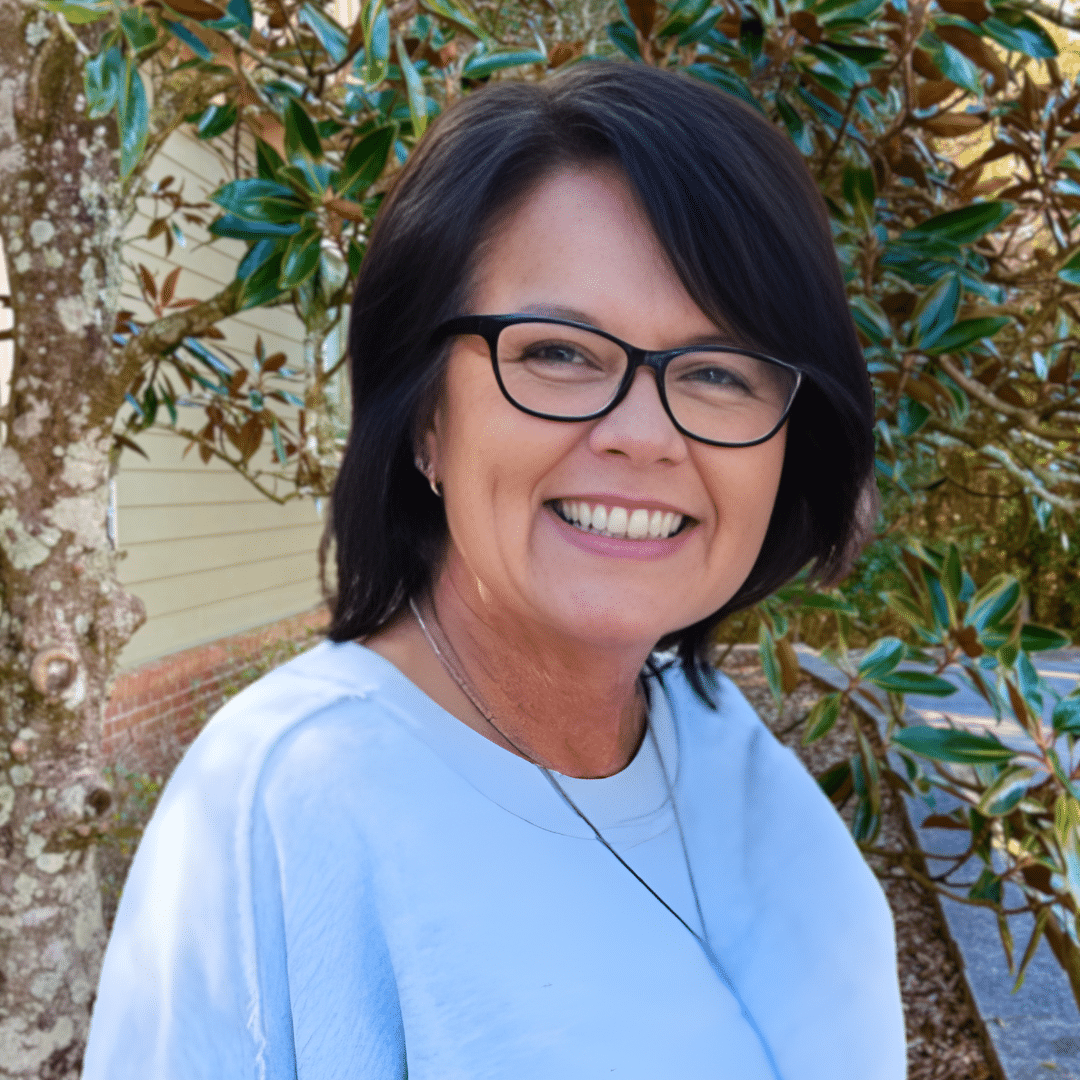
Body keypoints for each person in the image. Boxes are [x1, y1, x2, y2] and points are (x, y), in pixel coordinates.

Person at [83, 62, 905, 1080]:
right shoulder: (282, 811)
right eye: (560, 353)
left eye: (719, 371)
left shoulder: (719, 740)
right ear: (425, 416)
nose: (643, 437)